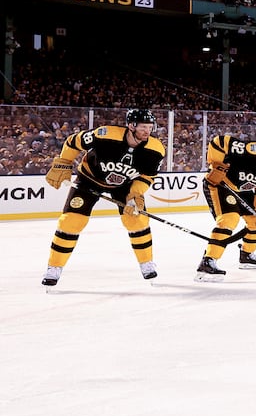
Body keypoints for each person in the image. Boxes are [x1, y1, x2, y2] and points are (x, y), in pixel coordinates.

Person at [41, 108, 165, 287]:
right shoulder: (105, 134)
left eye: (150, 127)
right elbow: (73, 141)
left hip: (125, 186)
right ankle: (54, 268)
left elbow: (147, 177)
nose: (147, 131)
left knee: (137, 220)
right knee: (71, 221)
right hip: (89, 179)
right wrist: (64, 162)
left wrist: (135, 194)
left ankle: (146, 263)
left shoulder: (155, 149)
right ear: (131, 126)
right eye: (143, 127)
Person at [196, 128, 256, 282]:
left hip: (241, 189)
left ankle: (246, 255)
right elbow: (219, 142)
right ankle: (208, 261)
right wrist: (216, 165)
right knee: (229, 219)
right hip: (220, 184)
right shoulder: (253, 150)